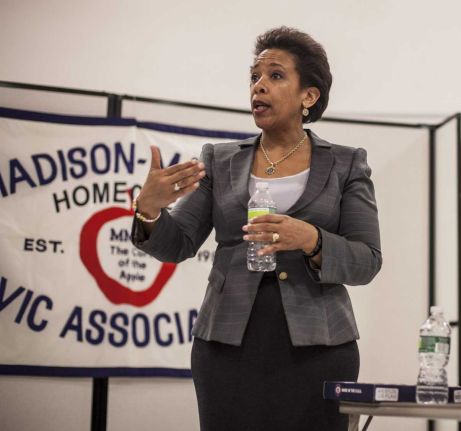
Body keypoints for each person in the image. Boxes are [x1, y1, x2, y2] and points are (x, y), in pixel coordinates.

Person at [131, 26, 382, 430]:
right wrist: (148, 211)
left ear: (309, 96)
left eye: (275, 75)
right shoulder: (220, 160)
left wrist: (312, 240)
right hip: (226, 348)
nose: (259, 86)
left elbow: (367, 261)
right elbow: (176, 244)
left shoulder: (346, 164)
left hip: (320, 349)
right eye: (254, 78)